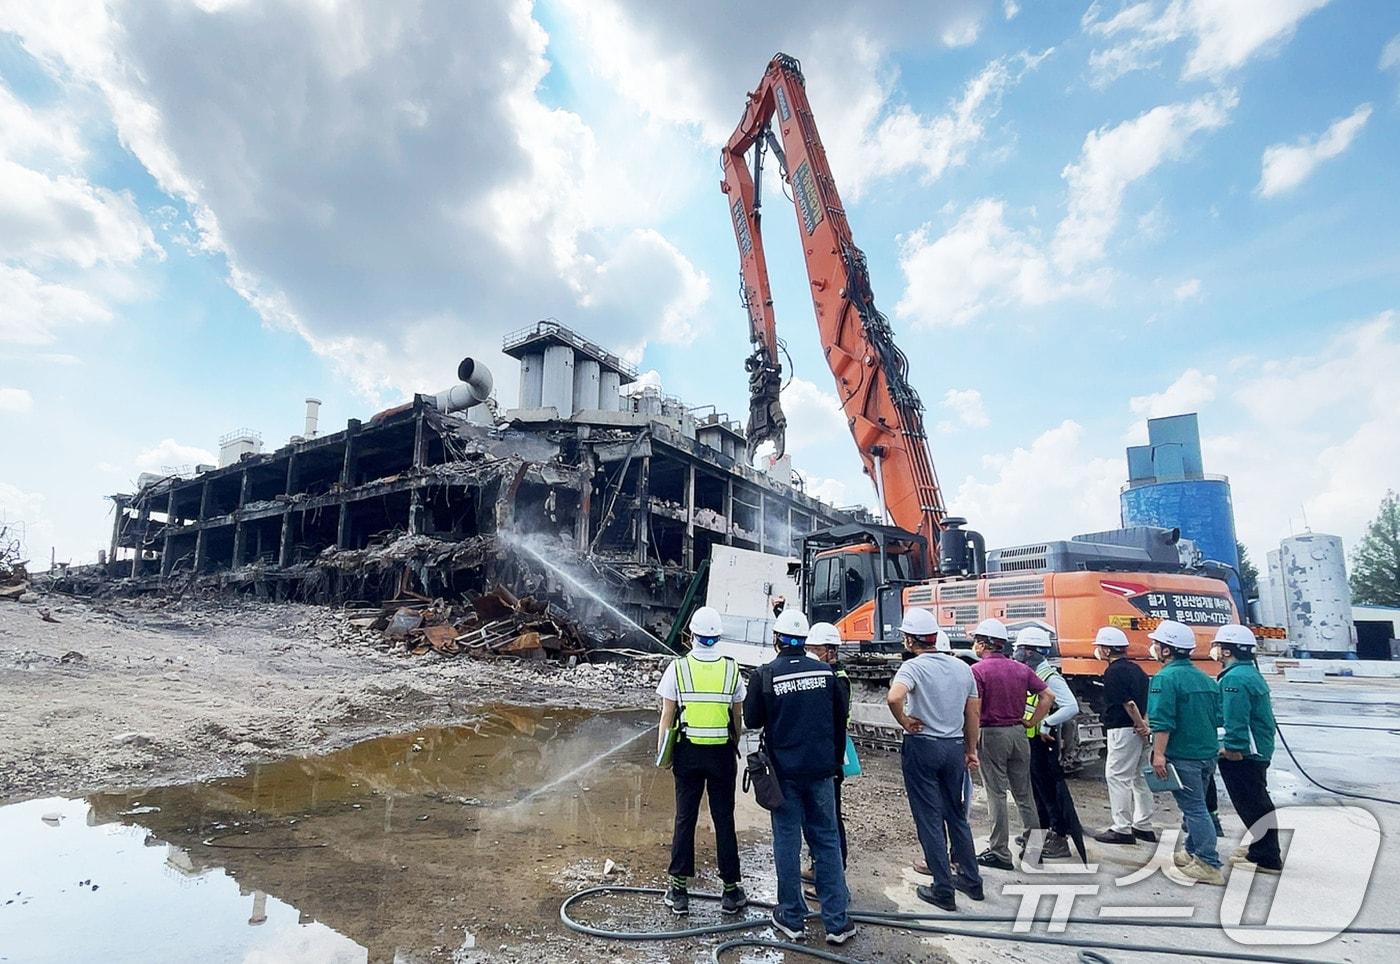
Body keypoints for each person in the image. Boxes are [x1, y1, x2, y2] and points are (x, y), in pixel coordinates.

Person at [743, 609, 856, 947]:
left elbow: (751, 719)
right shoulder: (826, 674)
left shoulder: (765, 675)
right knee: (827, 841)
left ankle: (791, 917)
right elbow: (840, 721)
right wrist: (835, 764)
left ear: (777, 639)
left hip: (785, 775)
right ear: (805, 641)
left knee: (787, 842)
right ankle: (837, 922)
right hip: (822, 773)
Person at [886, 608, 983, 911]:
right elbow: (973, 713)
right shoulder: (963, 668)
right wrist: (971, 750)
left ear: (911, 639)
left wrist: (904, 720)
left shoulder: (913, 668)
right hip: (954, 747)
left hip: (923, 747)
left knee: (929, 817)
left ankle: (943, 888)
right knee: (955, 814)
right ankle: (971, 879)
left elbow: (893, 697)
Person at [655, 605, 747, 916]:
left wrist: (663, 755)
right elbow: (737, 717)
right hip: (721, 754)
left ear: (691, 635)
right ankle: (731, 892)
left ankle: (679, 891)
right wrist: (733, 744)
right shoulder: (731, 669)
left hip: (688, 752)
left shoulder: (677, 668)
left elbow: (667, 717)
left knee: (685, 818)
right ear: (717, 637)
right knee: (724, 821)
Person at [969, 618, 1053, 870]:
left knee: (996, 793)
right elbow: (1048, 695)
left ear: (983, 644)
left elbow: (975, 710)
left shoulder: (978, 671)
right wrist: (1031, 722)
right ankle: (1034, 851)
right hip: (1018, 733)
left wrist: (970, 744)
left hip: (992, 733)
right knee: (1024, 793)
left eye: (976, 641)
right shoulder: (1021, 669)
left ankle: (999, 852)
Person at [1146, 619, 1224, 885]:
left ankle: (1207, 862)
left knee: (1195, 809)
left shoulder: (1164, 679)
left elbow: (1163, 721)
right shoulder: (1205, 678)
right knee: (1197, 804)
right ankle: (1193, 852)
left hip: (1184, 755)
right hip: (1206, 753)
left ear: (1167, 650)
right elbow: (1218, 717)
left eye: (1157, 644)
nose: (1153, 648)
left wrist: (1159, 755)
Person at [1212, 624, 1283, 874]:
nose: (1215, 651)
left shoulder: (1235, 679)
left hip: (1246, 753)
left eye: (1218, 647)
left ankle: (1267, 856)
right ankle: (1261, 848)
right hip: (1259, 749)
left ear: (1227, 651)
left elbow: (1236, 718)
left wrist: (1233, 748)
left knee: (1252, 803)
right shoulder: (1248, 673)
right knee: (1257, 800)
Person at [1014, 627, 1084, 861]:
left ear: (1030, 652)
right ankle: (1041, 833)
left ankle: (1058, 837)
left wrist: (1045, 724)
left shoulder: (1049, 677)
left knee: (1049, 790)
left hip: (1045, 743)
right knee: (1036, 790)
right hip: (1033, 742)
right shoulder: (1032, 673)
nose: (1016, 653)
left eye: (1020, 649)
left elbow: (1071, 706)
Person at [1090, 626, 1158, 845]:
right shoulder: (1137, 670)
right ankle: (1143, 825)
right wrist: (1145, 727)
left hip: (1122, 729)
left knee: (1117, 776)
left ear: (1108, 650)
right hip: (1140, 728)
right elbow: (1142, 701)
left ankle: (1121, 828)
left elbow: (1128, 703)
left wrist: (1139, 724)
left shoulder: (1113, 672)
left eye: (1100, 647)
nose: (1098, 650)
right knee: (1140, 776)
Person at [805, 622, 850, 871]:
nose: (811, 654)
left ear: (830, 651)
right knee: (817, 817)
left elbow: (838, 724)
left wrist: (834, 766)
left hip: (830, 759)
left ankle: (833, 871)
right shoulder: (827, 675)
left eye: (815, 649)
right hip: (824, 756)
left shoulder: (837, 680)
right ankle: (817, 866)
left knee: (829, 819)